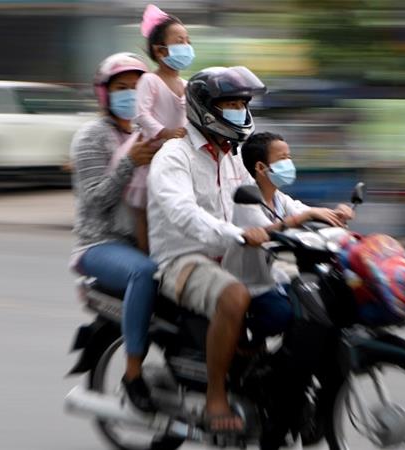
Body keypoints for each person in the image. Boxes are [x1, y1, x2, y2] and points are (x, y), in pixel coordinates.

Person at [147, 66, 269, 435]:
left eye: (240, 104)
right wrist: (236, 234)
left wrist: (311, 217)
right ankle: (216, 395)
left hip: (227, 253)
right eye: (228, 103)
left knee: (290, 288)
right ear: (204, 109)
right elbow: (184, 214)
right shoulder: (174, 157)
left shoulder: (231, 156)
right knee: (234, 297)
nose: (237, 110)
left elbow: (261, 201)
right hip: (182, 261)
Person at [69, 52, 162, 412]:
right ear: (105, 95)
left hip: (148, 238)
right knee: (145, 273)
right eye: (121, 88)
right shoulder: (92, 136)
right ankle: (133, 374)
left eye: (138, 88)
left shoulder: (153, 133)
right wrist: (128, 163)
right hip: (101, 244)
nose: (130, 95)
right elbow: (94, 200)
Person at [222, 131, 354, 339]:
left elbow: (305, 211)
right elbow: (265, 232)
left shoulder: (279, 198)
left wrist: (336, 213)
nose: (289, 163)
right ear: (260, 167)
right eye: (283, 158)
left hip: (273, 278)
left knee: (315, 302)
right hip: (248, 284)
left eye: (289, 157)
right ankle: (244, 343)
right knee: (281, 314)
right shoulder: (246, 200)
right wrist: (305, 216)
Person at [120, 4, 193, 250]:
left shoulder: (187, 83)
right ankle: (145, 256)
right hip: (151, 157)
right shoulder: (150, 80)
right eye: (179, 40)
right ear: (161, 51)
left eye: (188, 40)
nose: (186, 45)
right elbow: (141, 115)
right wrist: (165, 133)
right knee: (146, 213)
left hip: (178, 157)